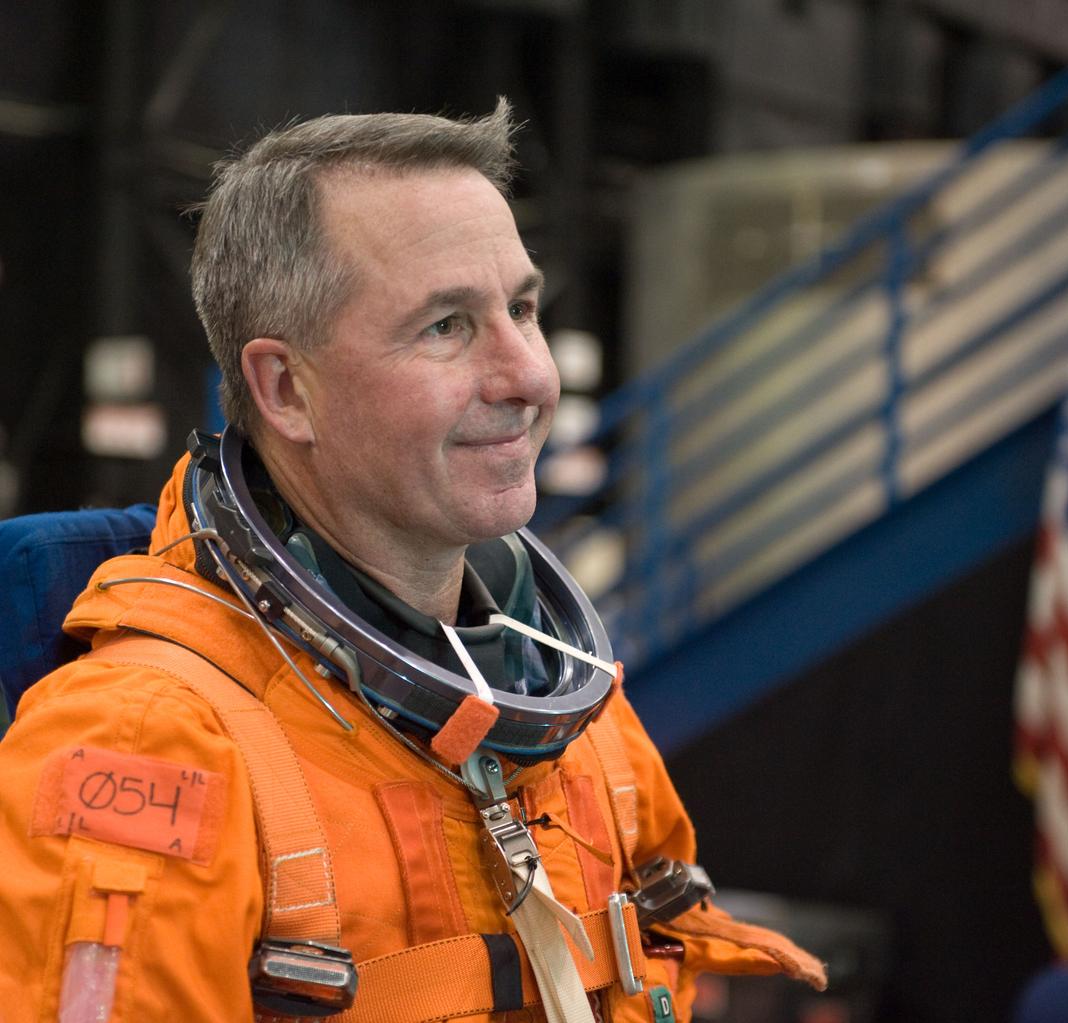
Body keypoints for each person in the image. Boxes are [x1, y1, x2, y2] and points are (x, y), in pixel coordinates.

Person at [0, 103, 824, 1022]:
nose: (529, 378)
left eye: (521, 307)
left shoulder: (572, 703)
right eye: (446, 326)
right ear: (285, 389)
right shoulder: (147, 745)